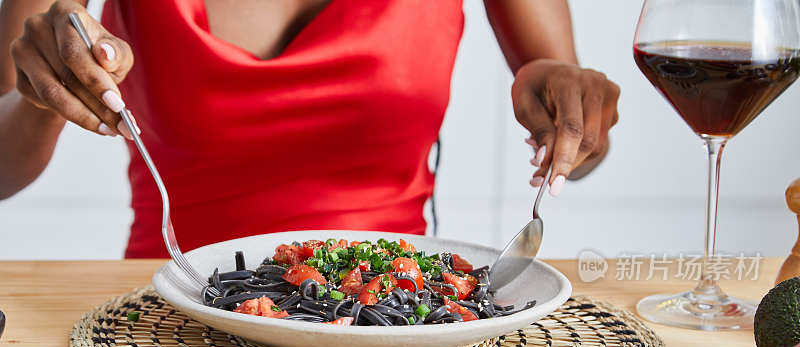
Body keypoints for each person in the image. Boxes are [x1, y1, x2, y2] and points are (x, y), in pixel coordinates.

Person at [0, 0, 619, 258]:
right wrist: (42, 99)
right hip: (165, 326)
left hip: (392, 330)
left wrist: (571, 114)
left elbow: (579, 144)